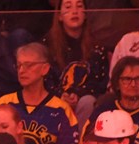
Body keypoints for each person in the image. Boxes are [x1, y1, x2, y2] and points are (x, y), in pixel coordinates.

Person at [0, 42, 79, 144]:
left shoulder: (62, 110)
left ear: (45, 69)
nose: (22, 70)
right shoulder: (3, 104)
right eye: (19, 65)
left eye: (28, 65)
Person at [42, 0, 111, 128]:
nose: (75, 11)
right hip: (55, 99)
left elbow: (100, 83)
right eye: (68, 6)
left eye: (79, 6)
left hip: (84, 102)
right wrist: (60, 95)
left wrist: (78, 94)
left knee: (88, 101)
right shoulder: (47, 45)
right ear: (59, 16)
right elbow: (44, 80)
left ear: (85, 14)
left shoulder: (97, 47)